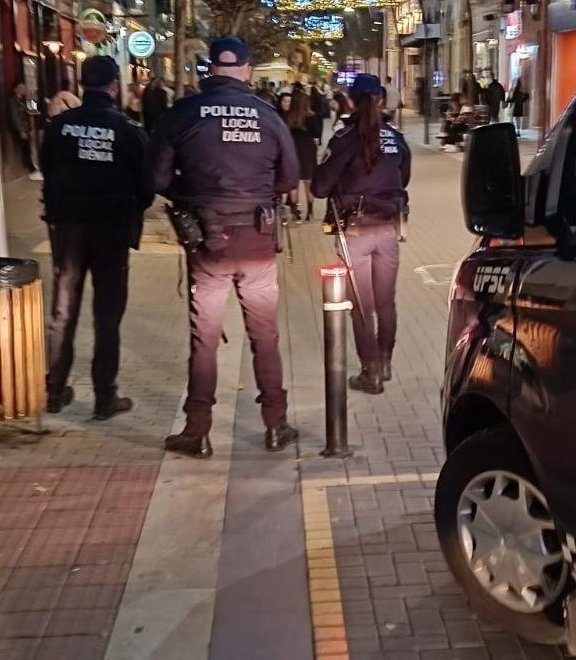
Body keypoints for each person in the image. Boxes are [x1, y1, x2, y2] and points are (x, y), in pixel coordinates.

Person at [152, 35, 300, 457]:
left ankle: (197, 431)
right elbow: (289, 178)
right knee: (265, 337)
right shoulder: (268, 116)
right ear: (248, 71)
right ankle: (276, 425)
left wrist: (194, 191)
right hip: (257, 241)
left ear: (210, 68)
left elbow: (157, 179)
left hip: (208, 241)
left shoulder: (182, 113)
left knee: (205, 340)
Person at [39, 56, 153, 420]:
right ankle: (105, 396)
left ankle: (54, 391)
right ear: (114, 86)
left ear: (81, 86)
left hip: (68, 231)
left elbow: (47, 168)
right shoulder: (128, 130)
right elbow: (146, 186)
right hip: (112, 231)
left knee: (62, 311)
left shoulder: (60, 127)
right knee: (107, 316)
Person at [311, 73, 411, 394]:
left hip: (355, 231)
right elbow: (403, 179)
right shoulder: (396, 138)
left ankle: (370, 371)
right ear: (381, 100)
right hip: (389, 228)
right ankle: (385, 362)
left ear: (351, 101)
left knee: (362, 304)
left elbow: (319, 187)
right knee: (387, 302)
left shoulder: (344, 139)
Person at [282, 91, 318, 222]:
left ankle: (296, 212)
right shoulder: (312, 117)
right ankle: (310, 212)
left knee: (294, 184)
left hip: (293, 150)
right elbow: (316, 135)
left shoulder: (289, 117)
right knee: (309, 183)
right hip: (308, 150)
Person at [11, 81, 42, 181]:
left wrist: (33, 128)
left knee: (32, 147)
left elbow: (33, 113)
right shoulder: (13, 101)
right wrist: (21, 130)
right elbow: (15, 117)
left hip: (29, 128)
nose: (23, 90)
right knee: (27, 149)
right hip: (22, 129)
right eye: (20, 88)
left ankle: (35, 166)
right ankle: (32, 170)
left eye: (24, 88)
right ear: (15, 89)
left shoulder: (27, 99)